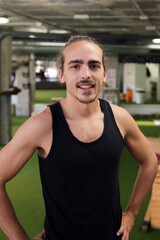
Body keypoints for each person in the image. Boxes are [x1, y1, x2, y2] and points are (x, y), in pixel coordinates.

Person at [0, 35, 158, 240]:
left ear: (104, 74)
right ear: (61, 75)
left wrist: (132, 212)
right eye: (75, 66)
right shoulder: (42, 124)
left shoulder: (120, 118)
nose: (86, 74)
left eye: (94, 66)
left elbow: (149, 161)